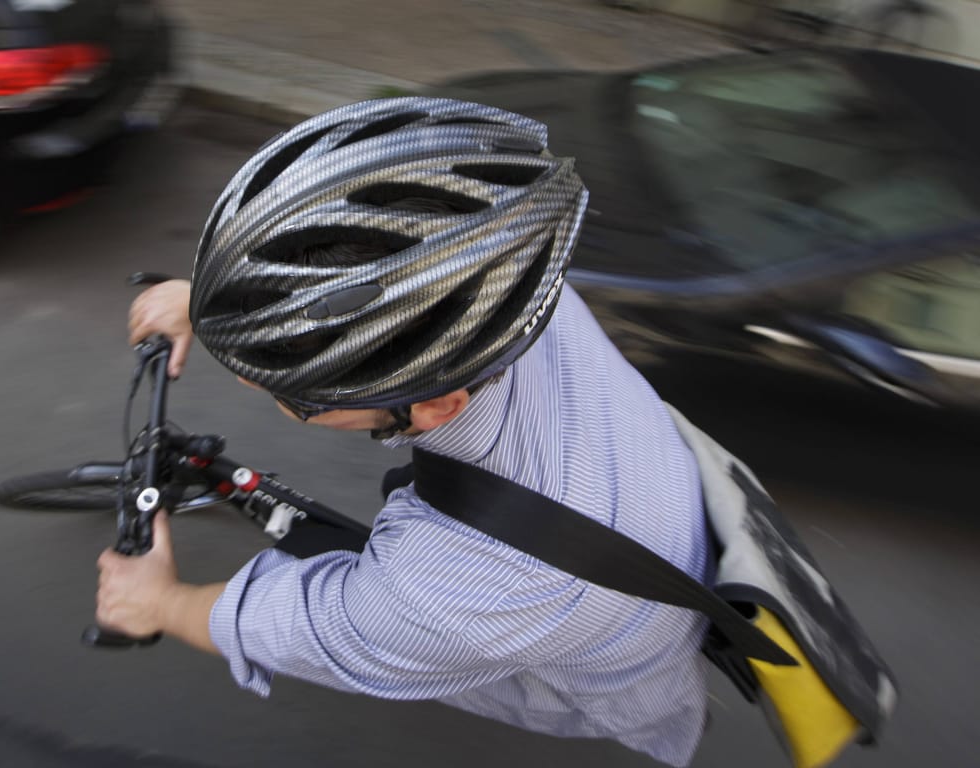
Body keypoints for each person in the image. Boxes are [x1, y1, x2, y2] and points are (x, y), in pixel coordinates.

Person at [94, 97, 711, 767]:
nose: (247, 384)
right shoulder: (508, 289)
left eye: (292, 396)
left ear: (437, 407)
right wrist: (222, 307)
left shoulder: (463, 589)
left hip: (583, 670)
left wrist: (160, 602)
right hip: (645, 496)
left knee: (426, 651)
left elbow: (305, 627)